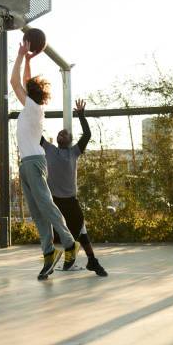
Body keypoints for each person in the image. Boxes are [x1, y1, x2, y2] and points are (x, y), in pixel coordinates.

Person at [10, 40, 80, 280]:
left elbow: (14, 82)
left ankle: (69, 244)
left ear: (30, 95)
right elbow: (26, 84)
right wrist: (29, 61)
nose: (23, 90)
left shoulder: (32, 108)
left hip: (35, 163)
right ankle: (49, 253)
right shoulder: (32, 107)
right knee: (37, 213)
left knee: (47, 206)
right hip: (26, 164)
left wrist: (20, 56)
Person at [40, 99, 108, 277]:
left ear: (70, 140)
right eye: (60, 133)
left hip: (70, 201)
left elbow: (87, 134)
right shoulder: (49, 149)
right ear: (56, 139)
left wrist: (81, 115)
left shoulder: (74, 152)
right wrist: (34, 112)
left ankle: (92, 260)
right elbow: (35, 133)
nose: (62, 134)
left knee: (81, 231)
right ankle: (50, 265)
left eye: (65, 134)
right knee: (52, 236)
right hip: (54, 201)